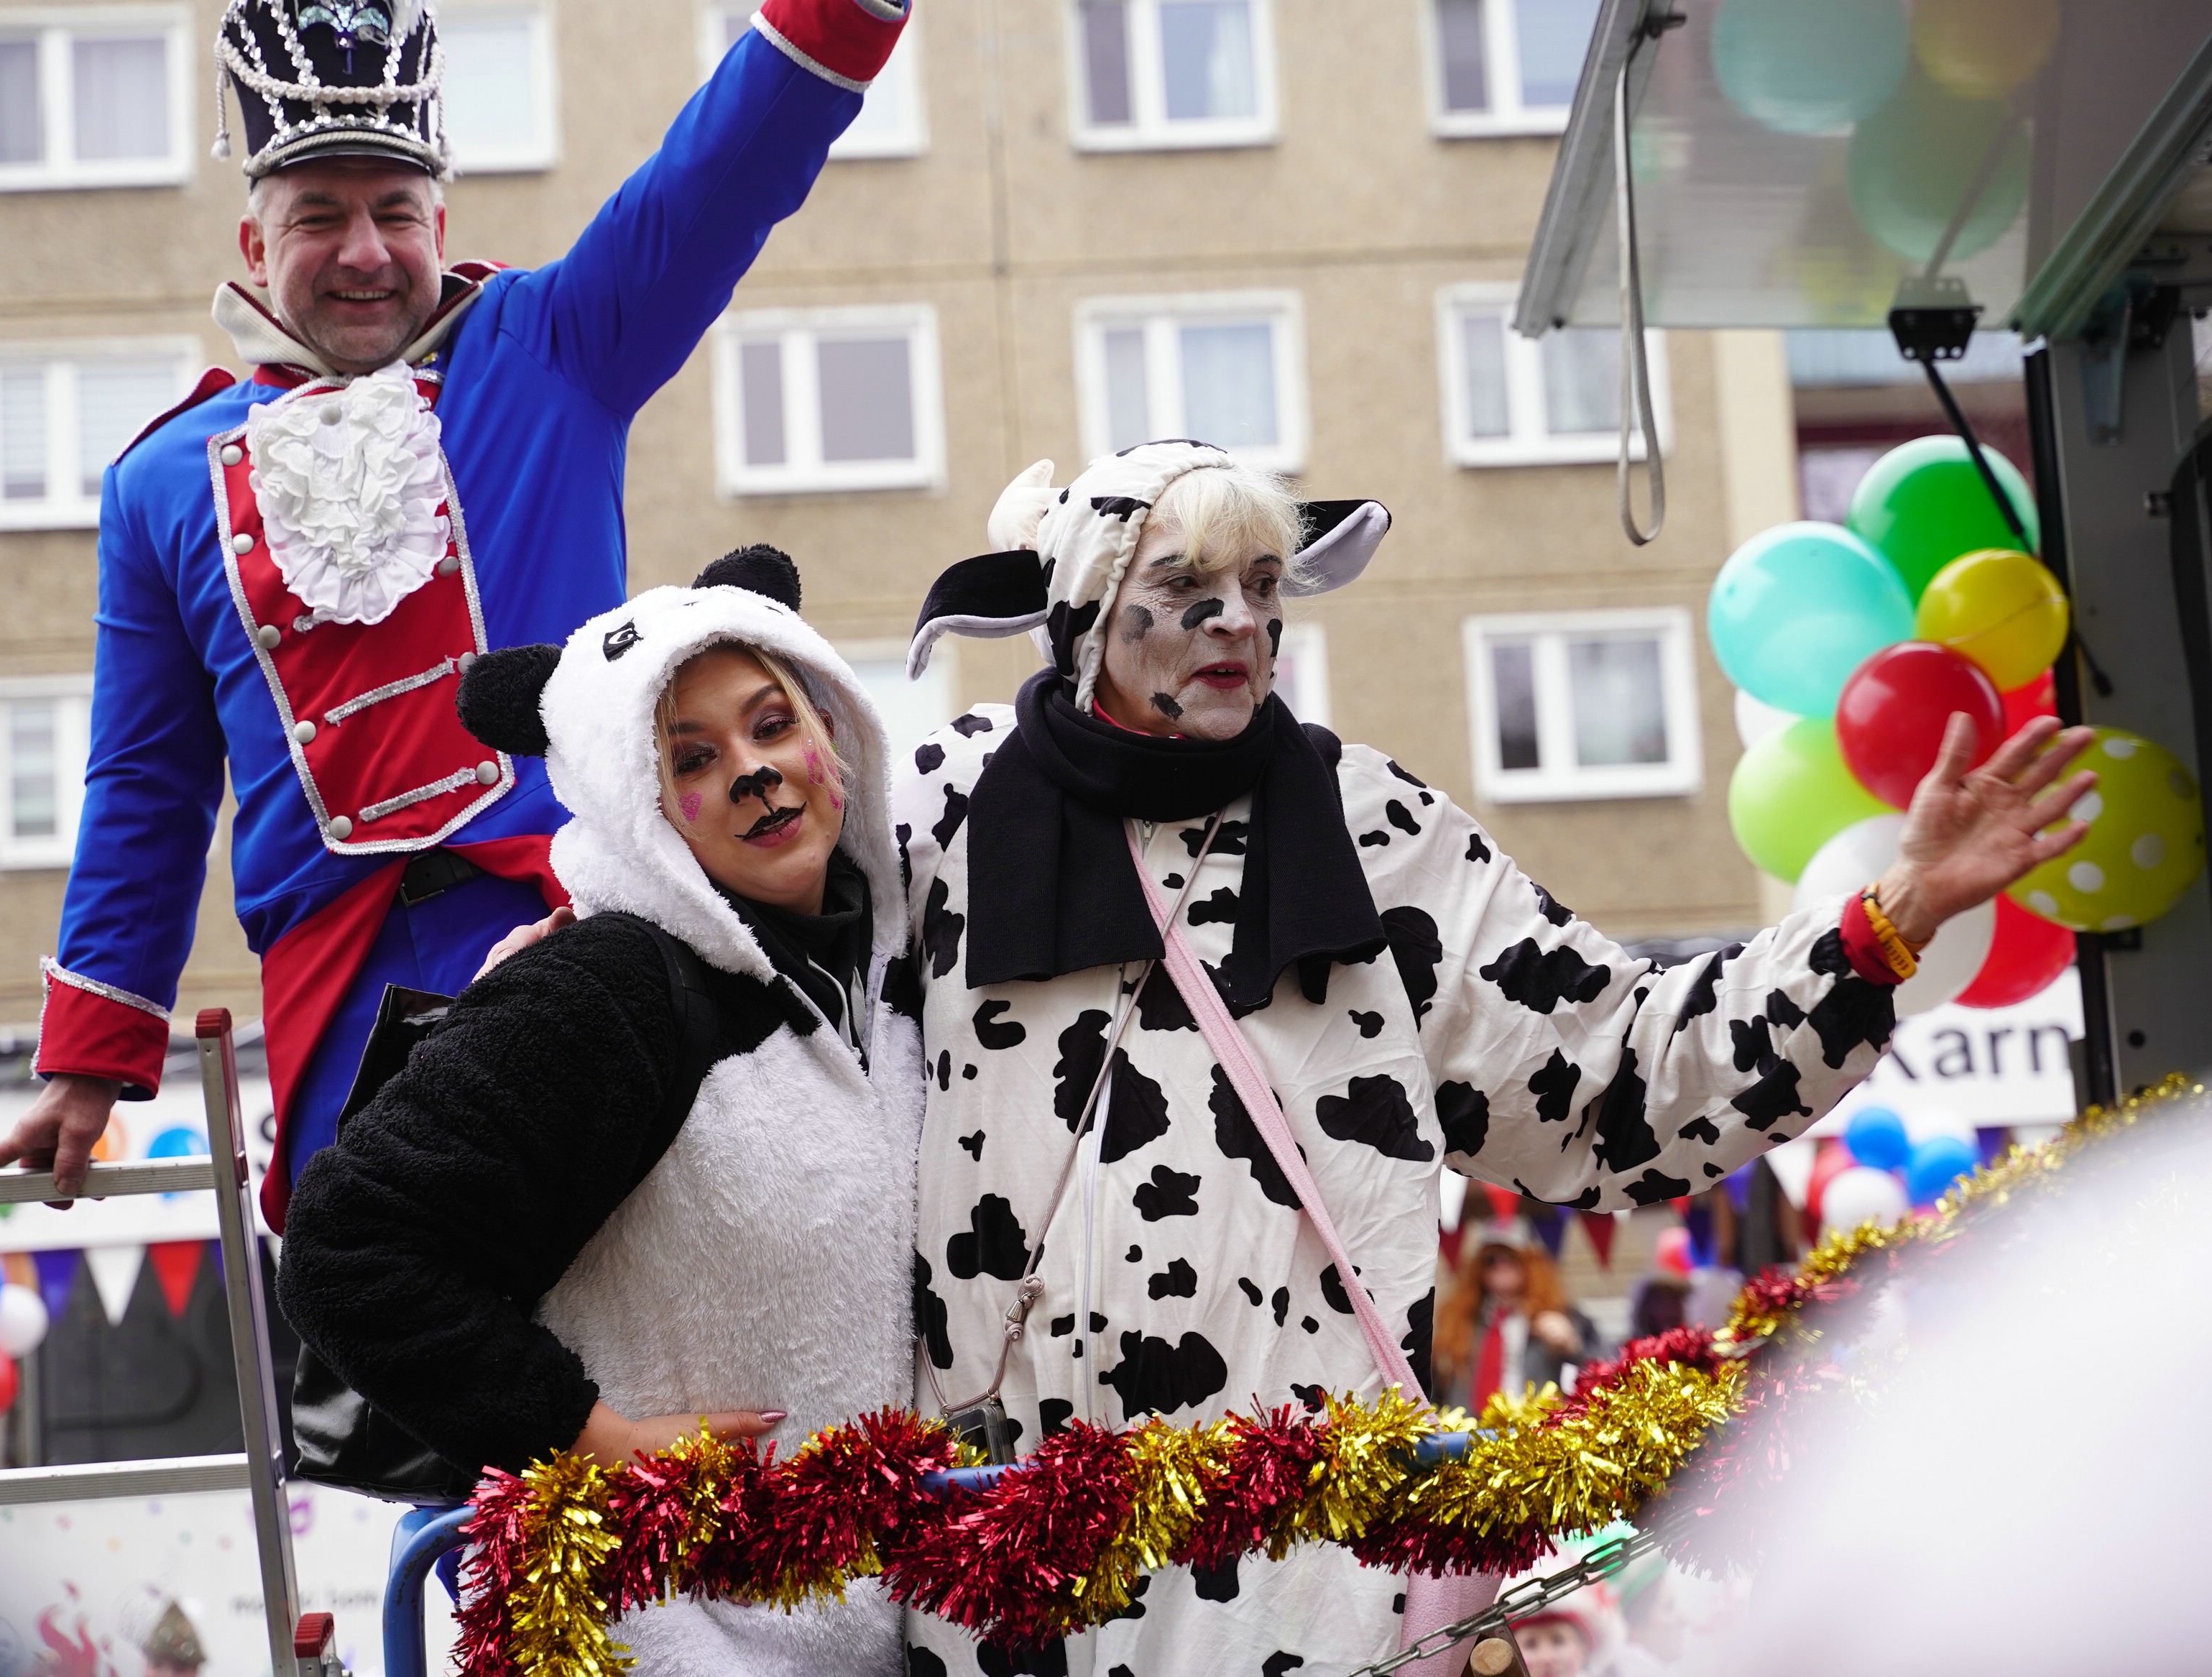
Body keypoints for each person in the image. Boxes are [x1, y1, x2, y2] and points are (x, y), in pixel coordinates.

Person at [890, 441, 2097, 1675]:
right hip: (1004, 1586)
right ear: (1088, 608)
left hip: (1300, 1594)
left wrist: (1887, 920)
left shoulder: (1371, 830)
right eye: (1187, 584)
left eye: (1263, 582)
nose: (1240, 619)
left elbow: (1619, 1076)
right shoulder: (941, 813)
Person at [0, 0, 915, 1233]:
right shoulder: (160, 484)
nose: (365, 251)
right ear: (254, 241)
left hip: (582, 934)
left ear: (440, 226)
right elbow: (146, 782)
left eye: (395, 212)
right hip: (342, 999)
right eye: (319, 216)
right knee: (384, 1319)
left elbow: (713, 183)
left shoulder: (551, 350)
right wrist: (91, 1057)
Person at [278, 548, 921, 1675]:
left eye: (773, 725)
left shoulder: (882, 968)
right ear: (637, 807)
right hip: (667, 1634)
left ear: (834, 730)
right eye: (691, 758)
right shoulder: (605, 988)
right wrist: (590, 1437)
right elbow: (349, 1247)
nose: (754, 773)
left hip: (857, 1621)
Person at [1432, 1221, 1600, 1411]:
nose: (1501, 1265)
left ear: (1531, 1264)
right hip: (1469, 1425)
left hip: (1533, 1424)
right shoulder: (1460, 1320)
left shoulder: (1561, 1315)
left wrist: (1571, 1346)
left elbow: (1601, 1372)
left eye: (1512, 1258)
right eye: (1491, 1260)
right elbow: (1433, 1386)